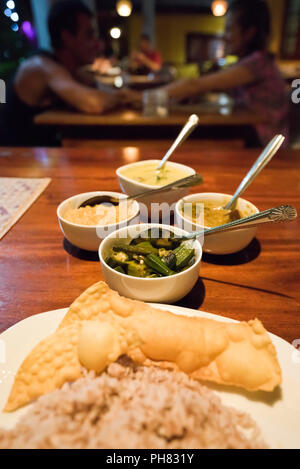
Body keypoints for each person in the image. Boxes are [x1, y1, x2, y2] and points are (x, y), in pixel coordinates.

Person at [163, 0, 289, 146]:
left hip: (266, 143)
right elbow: (207, 87)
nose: (224, 36)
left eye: (229, 29)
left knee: (183, 134)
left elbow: (194, 84)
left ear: (249, 33)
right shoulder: (251, 62)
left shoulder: (258, 62)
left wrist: (141, 96)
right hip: (254, 135)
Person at [1, 0, 124, 146]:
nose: (97, 43)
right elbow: (94, 104)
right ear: (67, 37)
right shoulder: (41, 67)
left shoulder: (66, 70)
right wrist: (123, 96)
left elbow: (97, 88)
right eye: (89, 34)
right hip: (14, 161)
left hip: (41, 158)